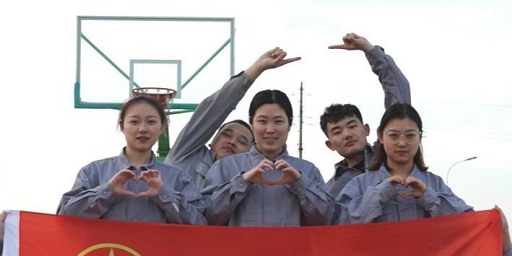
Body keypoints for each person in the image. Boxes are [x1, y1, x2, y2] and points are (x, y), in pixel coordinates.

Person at [165, 47, 301, 191]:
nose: (232, 142)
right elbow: (214, 109)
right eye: (226, 134)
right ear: (212, 141)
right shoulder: (185, 155)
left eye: (242, 141)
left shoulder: (251, 181)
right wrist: (256, 69)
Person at [57, 95, 205, 224]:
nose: (143, 129)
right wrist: (107, 190)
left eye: (151, 122)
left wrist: (163, 193)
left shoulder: (179, 178)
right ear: (122, 126)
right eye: (134, 122)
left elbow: (200, 224)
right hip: (108, 249)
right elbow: (64, 216)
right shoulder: (93, 172)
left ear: (162, 127)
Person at [202, 89, 334, 226]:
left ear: (289, 124)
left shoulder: (308, 170)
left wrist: (300, 182)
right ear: (251, 123)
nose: (270, 130)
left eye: (278, 121)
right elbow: (207, 217)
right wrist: (243, 181)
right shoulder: (224, 166)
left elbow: (327, 220)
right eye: (262, 121)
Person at [336, 103, 472, 223]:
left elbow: (467, 222)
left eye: (410, 135)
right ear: (380, 136)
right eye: (393, 135)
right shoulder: (359, 185)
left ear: (420, 137)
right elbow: (338, 225)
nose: (402, 143)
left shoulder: (435, 183)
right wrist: (379, 195)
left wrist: (428, 196)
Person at [322, 33, 411, 198]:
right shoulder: (330, 192)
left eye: (352, 126)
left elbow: (399, 97)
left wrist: (370, 50)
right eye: (337, 131)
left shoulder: (389, 156)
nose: (347, 134)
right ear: (330, 144)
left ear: (366, 129)